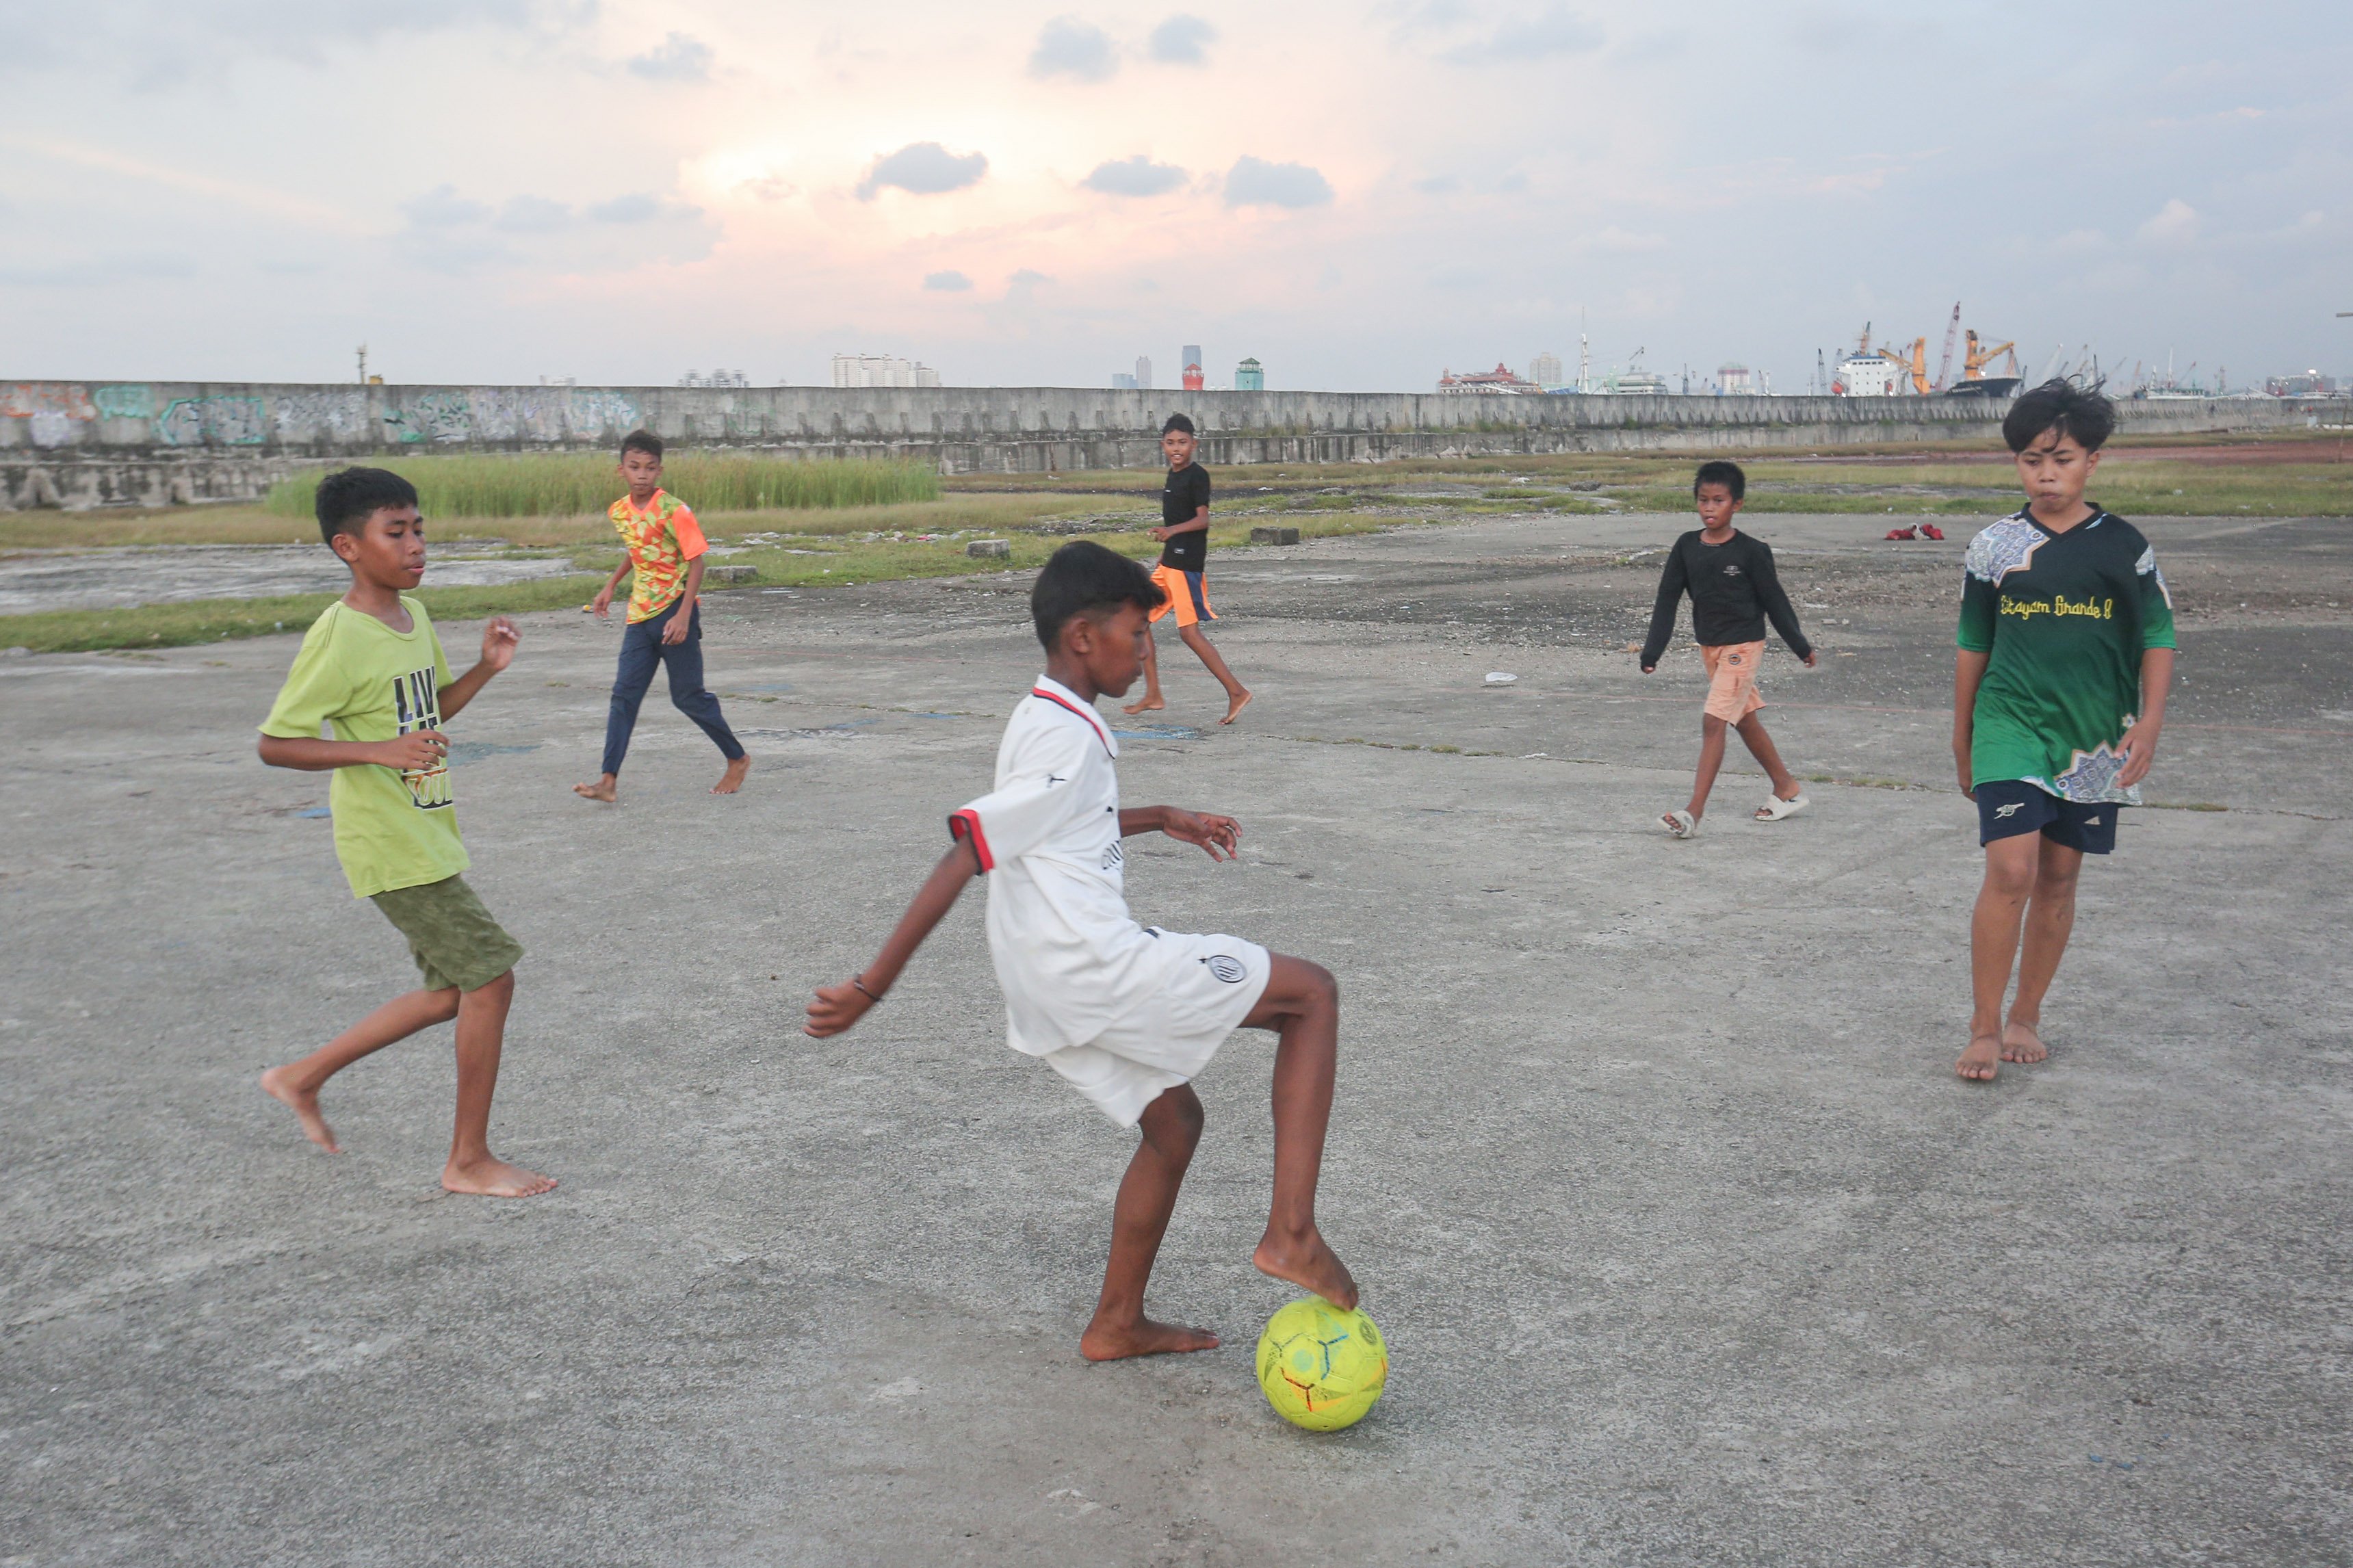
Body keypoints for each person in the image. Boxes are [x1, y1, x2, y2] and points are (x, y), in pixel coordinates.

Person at [806, 540, 1355, 1360]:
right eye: (1135, 633)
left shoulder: (1043, 715)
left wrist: (1160, 815)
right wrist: (870, 986)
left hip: (1045, 984)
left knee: (1174, 1124)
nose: (1145, 650)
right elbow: (968, 850)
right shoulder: (1067, 737)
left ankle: (1116, 1323)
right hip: (1093, 968)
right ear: (1082, 637)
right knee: (1311, 994)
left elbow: (1057, 822)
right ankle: (1292, 1233)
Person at [255, 467, 555, 1197]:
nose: (417, 545)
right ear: (348, 547)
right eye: (396, 533)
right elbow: (276, 744)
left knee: (452, 992)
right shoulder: (339, 636)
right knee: (491, 979)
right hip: (386, 840)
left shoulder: (412, 617)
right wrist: (377, 752)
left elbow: (426, 712)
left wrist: (485, 669)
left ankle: (301, 1077)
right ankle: (467, 1161)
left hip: (427, 829)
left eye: (419, 529)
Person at [1953, 381, 2174, 1082]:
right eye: (2031, 461)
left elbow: (2158, 635)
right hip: (2008, 721)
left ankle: (2026, 1015)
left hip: (2093, 737)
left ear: (2092, 462)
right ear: (2016, 464)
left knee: (2057, 875)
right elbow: (1972, 642)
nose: (2046, 475)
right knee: (2010, 869)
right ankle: (1984, 1026)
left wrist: (2150, 721)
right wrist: (1961, 736)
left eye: (2062, 460)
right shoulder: (1993, 547)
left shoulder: (2125, 547)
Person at [1639, 460, 1818, 837]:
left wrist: (1800, 646)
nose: (1709, 508)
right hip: (1711, 648)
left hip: (1743, 646)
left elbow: (1775, 602)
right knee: (1744, 719)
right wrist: (1653, 650)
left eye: (1718, 501)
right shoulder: (1686, 547)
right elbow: (1667, 600)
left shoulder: (1752, 552)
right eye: (1703, 500)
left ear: (1736, 504)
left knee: (1714, 721)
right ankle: (1786, 788)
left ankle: (1693, 813)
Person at [573, 429, 750, 802]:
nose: (642, 475)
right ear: (621, 469)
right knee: (624, 695)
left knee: (687, 696)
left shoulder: (674, 510)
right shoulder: (619, 511)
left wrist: (684, 615)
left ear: (660, 471)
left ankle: (737, 758)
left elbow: (696, 562)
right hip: (639, 616)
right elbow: (638, 548)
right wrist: (610, 585)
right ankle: (608, 780)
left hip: (674, 612)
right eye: (635, 467)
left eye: (650, 468)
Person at [1121, 414, 1252, 725]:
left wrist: (1171, 532)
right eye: (1170, 443)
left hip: (1186, 565)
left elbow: (1202, 520)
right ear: (1163, 446)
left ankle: (1237, 692)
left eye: (1182, 442)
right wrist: (1165, 551)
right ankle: (1153, 694)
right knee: (1140, 619)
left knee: (1189, 633)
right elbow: (1176, 522)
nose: (1176, 448)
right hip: (1170, 562)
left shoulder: (1197, 476)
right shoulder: (1172, 475)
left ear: (1194, 444)